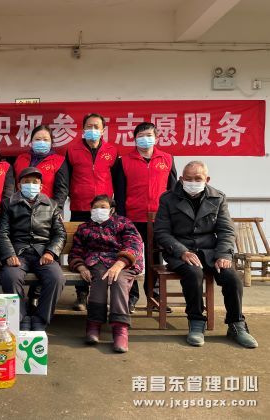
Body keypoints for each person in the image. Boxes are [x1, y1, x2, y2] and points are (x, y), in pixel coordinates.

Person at [154, 161, 257, 348]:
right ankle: (196, 321)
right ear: (181, 179)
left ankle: (236, 324)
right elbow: (161, 232)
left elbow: (226, 231)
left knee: (232, 277)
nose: (193, 182)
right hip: (180, 251)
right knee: (194, 274)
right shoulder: (168, 199)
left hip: (211, 251)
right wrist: (182, 251)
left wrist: (224, 255)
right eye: (189, 179)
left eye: (198, 179)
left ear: (207, 179)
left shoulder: (218, 197)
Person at [114, 121, 177, 313]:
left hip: (159, 219)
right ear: (134, 139)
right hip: (132, 217)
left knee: (155, 259)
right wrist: (122, 219)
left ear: (156, 137)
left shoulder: (167, 159)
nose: (145, 139)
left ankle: (155, 296)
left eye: (149, 135)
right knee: (130, 257)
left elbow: (173, 191)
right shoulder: (123, 161)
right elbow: (119, 193)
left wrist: (172, 216)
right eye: (140, 136)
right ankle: (131, 297)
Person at [68, 195, 143, 353]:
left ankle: (120, 329)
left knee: (118, 280)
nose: (98, 210)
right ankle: (94, 324)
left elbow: (134, 244)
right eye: (95, 207)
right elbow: (76, 251)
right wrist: (81, 267)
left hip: (123, 262)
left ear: (112, 209)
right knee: (100, 279)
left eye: (103, 207)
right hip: (97, 262)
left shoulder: (124, 223)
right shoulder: (84, 228)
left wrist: (120, 264)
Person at [0, 167, 66, 331]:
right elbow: (2, 232)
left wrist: (51, 252)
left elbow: (60, 233)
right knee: (10, 277)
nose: (31, 185)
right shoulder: (8, 204)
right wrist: (9, 254)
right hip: (18, 253)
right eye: (26, 182)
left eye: (35, 182)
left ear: (41, 186)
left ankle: (40, 318)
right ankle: (21, 318)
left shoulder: (52, 205)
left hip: (43, 253)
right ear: (19, 185)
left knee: (56, 278)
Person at [66, 113, 119, 311]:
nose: (93, 130)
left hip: (105, 210)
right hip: (80, 207)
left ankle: (104, 294)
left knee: (106, 249)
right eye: (89, 126)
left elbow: (117, 179)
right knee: (81, 249)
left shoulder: (112, 151)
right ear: (83, 129)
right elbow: (66, 179)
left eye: (97, 126)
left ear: (103, 130)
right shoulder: (72, 150)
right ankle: (81, 294)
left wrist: (114, 207)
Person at [13, 125, 69, 210]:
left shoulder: (59, 161)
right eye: (37, 139)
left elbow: (61, 191)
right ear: (31, 142)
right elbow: (14, 186)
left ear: (51, 142)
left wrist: (55, 210)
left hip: (47, 210)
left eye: (46, 140)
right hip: (20, 209)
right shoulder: (21, 159)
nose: (41, 142)